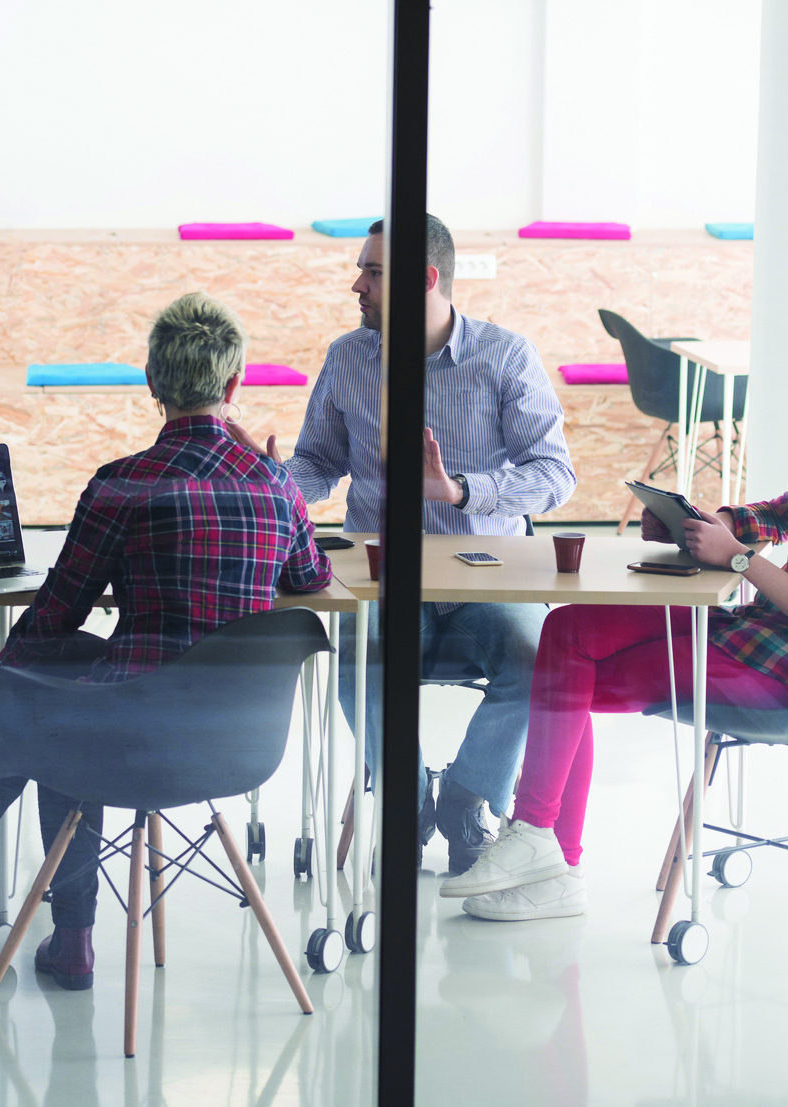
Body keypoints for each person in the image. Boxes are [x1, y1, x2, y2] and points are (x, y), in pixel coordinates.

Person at [444, 294, 788, 920]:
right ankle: (547, 853)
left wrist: (736, 559)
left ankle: (542, 844)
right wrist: (706, 523)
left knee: (570, 670)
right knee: (568, 631)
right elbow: (777, 515)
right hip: (756, 633)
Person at [0, 292, 332, 989]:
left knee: (52, 690)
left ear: (151, 382)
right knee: (68, 685)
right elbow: (310, 578)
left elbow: (56, 612)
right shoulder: (275, 485)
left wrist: (5, 681)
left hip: (133, 735)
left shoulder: (123, 485)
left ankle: (53, 918)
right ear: (233, 387)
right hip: (239, 742)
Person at [229, 214, 574, 873]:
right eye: (361, 268)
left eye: (373, 272)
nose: (355, 283)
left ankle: (469, 800)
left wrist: (460, 491)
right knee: (358, 659)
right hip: (385, 582)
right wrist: (273, 482)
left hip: (486, 581)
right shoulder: (349, 358)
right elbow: (319, 464)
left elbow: (554, 474)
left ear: (424, 278)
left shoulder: (503, 356)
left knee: (541, 660)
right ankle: (407, 799)